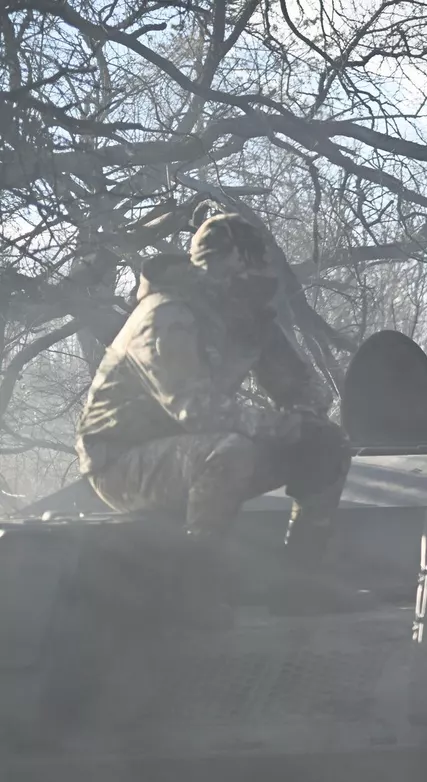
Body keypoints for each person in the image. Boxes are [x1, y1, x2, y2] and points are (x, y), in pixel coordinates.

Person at [74, 213, 356, 613]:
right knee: (230, 449)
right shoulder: (164, 315)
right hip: (119, 462)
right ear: (217, 273)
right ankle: (195, 585)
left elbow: (302, 388)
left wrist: (305, 418)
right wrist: (281, 425)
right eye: (243, 277)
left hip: (189, 453)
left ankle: (299, 578)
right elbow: (195, 411)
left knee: (324, 443)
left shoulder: (245, 318)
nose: (251, 288)